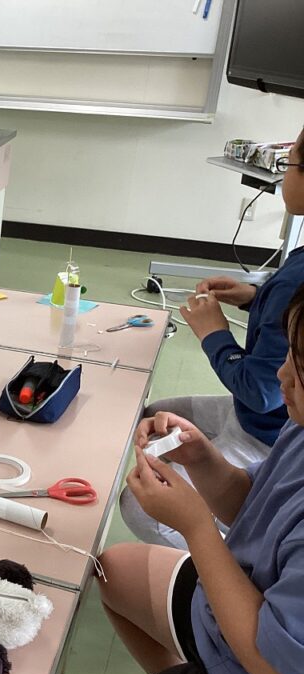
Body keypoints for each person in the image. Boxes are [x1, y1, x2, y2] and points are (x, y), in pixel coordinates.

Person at [39, 280, 304, 674]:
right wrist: (201, 458)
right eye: (290, 354)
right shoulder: (300, 427)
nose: (282, 374)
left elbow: (272, 668)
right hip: (242, 618)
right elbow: (253, 505)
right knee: (112, 571)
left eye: (301, 369)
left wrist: (196, 527)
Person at [121, 125, 304, 548]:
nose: (284, 173)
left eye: (289, 162)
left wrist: (214, 335)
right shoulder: (295, 274)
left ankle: (226, 554)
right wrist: (254, 299)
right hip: (256, 418)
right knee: (149, 416)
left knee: (139, 507)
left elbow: (262, 391)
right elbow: (285, 327)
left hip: (264, 433)